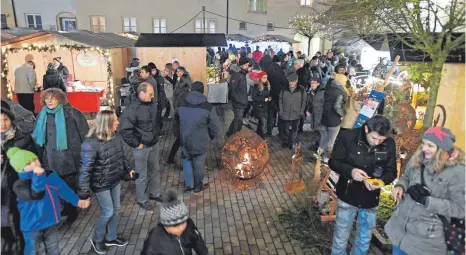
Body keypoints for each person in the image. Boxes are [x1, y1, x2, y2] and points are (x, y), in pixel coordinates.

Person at [385, 127, 465, 255]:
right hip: (400, 231)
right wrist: (401, 186)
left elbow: (461, 209)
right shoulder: (419, 157)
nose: (424, 148)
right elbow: (407, 176)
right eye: (423, 143)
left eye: (430, 145)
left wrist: (428, 201)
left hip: (425, 242)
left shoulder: (458, 172)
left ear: (442, 148)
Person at [329, 115, 397, 255]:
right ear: (366, 128)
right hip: (347, 195)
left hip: (371, 199)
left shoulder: (389, 143)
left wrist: (382, 181)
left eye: (381, 140)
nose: (377, 142)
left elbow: (392, 171)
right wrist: (351, 171)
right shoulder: (347, 137)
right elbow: (334, 162)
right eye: (374, 138)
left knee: (364, 238)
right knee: (341, 237)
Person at [7, 147, 90, 255]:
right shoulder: (19, 184)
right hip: (32, 226)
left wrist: (77, 201)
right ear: (20, 168)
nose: (34, 164)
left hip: (51, 221)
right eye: (29, 163)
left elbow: (63, 189)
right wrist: (39, 176)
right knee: (32, 251)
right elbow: (37, 194)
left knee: (53, 248)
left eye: (34, 160)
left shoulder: (49, 175)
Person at [78, 110, 134, 254]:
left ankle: (111, 237)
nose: (118, 122)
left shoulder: (115, 137)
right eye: (115, 120)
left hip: (114, 179)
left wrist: (128, 170)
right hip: (100, 184)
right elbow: (85, 171)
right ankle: (97, 239)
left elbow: (121, 156)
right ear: (107, 123)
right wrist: (84, 195)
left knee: (115, 210)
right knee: (108, 211)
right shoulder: (90, 144)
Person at [32, 88, 89, 227]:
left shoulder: (72, 113)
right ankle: (66, 207)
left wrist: (85, 155)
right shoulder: (42, 115)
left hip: (69, 157)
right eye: (47, 98)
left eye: (53, 98)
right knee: (57, 184)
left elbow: (85, 135)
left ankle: (72, 211)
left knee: (69, 183)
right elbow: (37, 139)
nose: (49, 101)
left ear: (60, 99)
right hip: (51, 158)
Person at [1, 106, 39, 254]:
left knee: (21, 227)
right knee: (5, 229)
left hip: (20, 189)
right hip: (2, 194)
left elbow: (37, 161)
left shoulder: (24, 138)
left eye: (6, 119)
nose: (3, 123)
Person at [119, 82, 161, 211]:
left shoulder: (152, 105)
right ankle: (142, 199)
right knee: (141, 174)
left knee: (155, 170)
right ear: (141, 94)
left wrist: (157, 135)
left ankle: (155, 194)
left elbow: (157, 122)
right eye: (150, 94)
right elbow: (125, 130)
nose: (153, 96)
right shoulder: (131, 110)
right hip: (141, 148)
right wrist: (136, 144)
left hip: (154, 143)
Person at [178, 82, 220, 193]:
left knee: (186, 160)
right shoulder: (208, 106)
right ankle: (198, 186)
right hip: (201, 140)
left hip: (185, 138)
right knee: (199, 163)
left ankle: (189, 184)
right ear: (202, 91)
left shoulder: (182, 103)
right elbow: (215, 126)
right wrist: (211, 136)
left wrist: (179, 135)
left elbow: (175, 122)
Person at [141, 189, 209, 255]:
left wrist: (204, 252)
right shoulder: (154, 241)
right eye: (175, 226)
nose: (181, 228)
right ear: (165, 225)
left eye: (183, 223)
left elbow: (197, 239)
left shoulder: (188, 224)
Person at [318, 75, 348, 163]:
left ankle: (319, 154)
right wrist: (343, 113)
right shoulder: (340, 92)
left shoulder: (327, 88)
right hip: (334, 120)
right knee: (331, 141)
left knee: (324, 138)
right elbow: (337, 107)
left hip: (324, 118)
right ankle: (326, 159)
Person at [167, 67, 192, 165]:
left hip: (178, 120)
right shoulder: (186, 94)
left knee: (179, 141)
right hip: (183, 121)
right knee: (182, 142)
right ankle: (184, 163)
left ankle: (170, 158)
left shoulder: (178, 90)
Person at [279, 73, 306, 150]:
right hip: (285, 113)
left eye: (293, 81)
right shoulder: (284, 89)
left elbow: (304, 101)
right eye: (290, 81)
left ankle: (292, 142)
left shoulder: (301, 90)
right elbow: (280, 100)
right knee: (286, 129)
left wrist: (301, 111)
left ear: (296, 81)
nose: (291, 83)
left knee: (294, 129)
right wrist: (281, 110)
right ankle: (285, 141)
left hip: (296, 113)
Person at [226, 57, 249, 137]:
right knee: (239, 121)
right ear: (241, 66)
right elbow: (232, 90)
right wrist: (239, 100)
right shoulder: (237, 75)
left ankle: (229, 132)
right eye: (246, 65)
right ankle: (235, 138)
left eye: (248, 65)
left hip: (242, 101)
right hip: (238, 103)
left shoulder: (244, 75)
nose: (247, 66)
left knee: (237, 118)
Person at [265, 55, 288, 136]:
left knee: (270, 113)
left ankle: (269, 131)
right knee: (280, 112)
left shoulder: (268, 69)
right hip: (279, 94)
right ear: (279, 62)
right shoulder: (281, 70)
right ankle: (280, 131)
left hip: (270, 94)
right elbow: (285, 82)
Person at [305, 77, 326, 150]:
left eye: (314, 83)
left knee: (320, 132)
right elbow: (310, 102)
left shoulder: (322, 92)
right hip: (314, 114)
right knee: (315, 130)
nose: (312, 84)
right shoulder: (311, 91)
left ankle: (320, 147)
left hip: (320, 115)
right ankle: (316, 144)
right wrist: (308, 110)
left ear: (318, 83)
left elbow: (325, 105)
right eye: (311, 83)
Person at [251, 72, 271, 139]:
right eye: (264, 77)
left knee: (261, 123)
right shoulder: (257, 86)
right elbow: (254, 97)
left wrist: (269, 97)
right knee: (263, 123)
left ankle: (258, 135)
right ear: (260, 78)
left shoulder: (267, 85)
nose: (266, 79)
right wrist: (263, 99)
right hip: (259, 107)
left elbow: (268, 94)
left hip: (265, 107)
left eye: (266, 77)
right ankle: (263, 138)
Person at [148, 63, 167, 132]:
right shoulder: (149, 79)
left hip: (159, 99)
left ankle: (159, 130)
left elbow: (163, 91)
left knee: (158, 117)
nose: (154, 72)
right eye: (152, 70)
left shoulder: (160, 77)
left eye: (154, 70)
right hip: (152, 100)